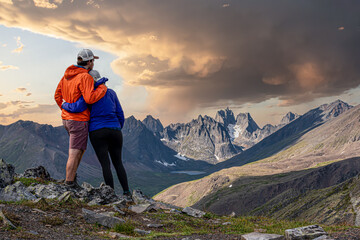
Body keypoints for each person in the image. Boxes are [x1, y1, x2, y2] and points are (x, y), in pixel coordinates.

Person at [62, 70, 130, 196]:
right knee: (118, 162)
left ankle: (111, 194)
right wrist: (116, 127)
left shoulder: (89, 95)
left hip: (97, 131)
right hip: (115, 130)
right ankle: (127, 193)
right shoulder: (111, 93)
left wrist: (64, 104)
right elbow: (120, 114)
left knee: (105, 165)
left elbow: (77, 107)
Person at [54, 49, 107, 187]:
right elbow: (89, 99)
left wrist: (65, 108)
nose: (93, 63)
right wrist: (102, 88)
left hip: (66, 120)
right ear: (89, 62)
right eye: (93, 61)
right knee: (74, 152)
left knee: (80, 150)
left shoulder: (66, 76)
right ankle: (69, 184)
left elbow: (57, 95)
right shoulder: (85, 77)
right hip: (78, 120)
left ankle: (71, 179)